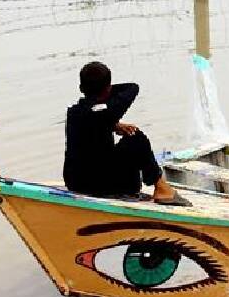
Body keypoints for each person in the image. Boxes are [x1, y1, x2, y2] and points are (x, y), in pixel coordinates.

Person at [64, 61, 190, 205]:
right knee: (136, 137)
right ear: (108, 89)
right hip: (103, 186)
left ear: (81, 88)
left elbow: (93, 120)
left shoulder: (73, 112)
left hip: (75, 182)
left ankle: (157, 187)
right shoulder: (109, 111)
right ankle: (161, 188)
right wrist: (108, 99)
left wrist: (112, 125)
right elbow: (132, 88)